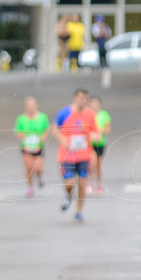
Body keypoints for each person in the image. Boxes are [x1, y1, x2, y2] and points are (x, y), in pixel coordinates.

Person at [53, 89, 98, 222]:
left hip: (84, 156)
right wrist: (63, 139)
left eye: (85, 99)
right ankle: (68, 195)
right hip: (67, 155)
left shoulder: (90, 114)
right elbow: (55, 128)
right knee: (69, 183)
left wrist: (91, 135)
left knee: (82, 183)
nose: (83, 101)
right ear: (75, 98)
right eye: (81, 98)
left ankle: (78, 211)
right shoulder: (65, 112)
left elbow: (96, 133)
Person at [14, 97, 49, 198]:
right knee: (29, 168)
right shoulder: (21, 118)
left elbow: (47, 129)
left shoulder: (42, 117)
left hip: (38, 146)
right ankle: (30, 187)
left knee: (38, 168)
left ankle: (39, 177)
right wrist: (23, 137)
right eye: (28, 106)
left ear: (35, 106)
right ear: (26, 107)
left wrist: (43, 137)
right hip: (27, 147)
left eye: (32, 105)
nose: (30, 108)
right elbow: (18, 131)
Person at [88, 96, 111, 195]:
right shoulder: (87, 114)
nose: (94, 105)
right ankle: (90, 184)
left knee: (98, 166)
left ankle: (99, 184)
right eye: (92, 103)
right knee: (91, 164)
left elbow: (108, 129)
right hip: (90, 144)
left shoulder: (104, 115)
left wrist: (100, 132)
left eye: (96, 103)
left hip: (100, 143)